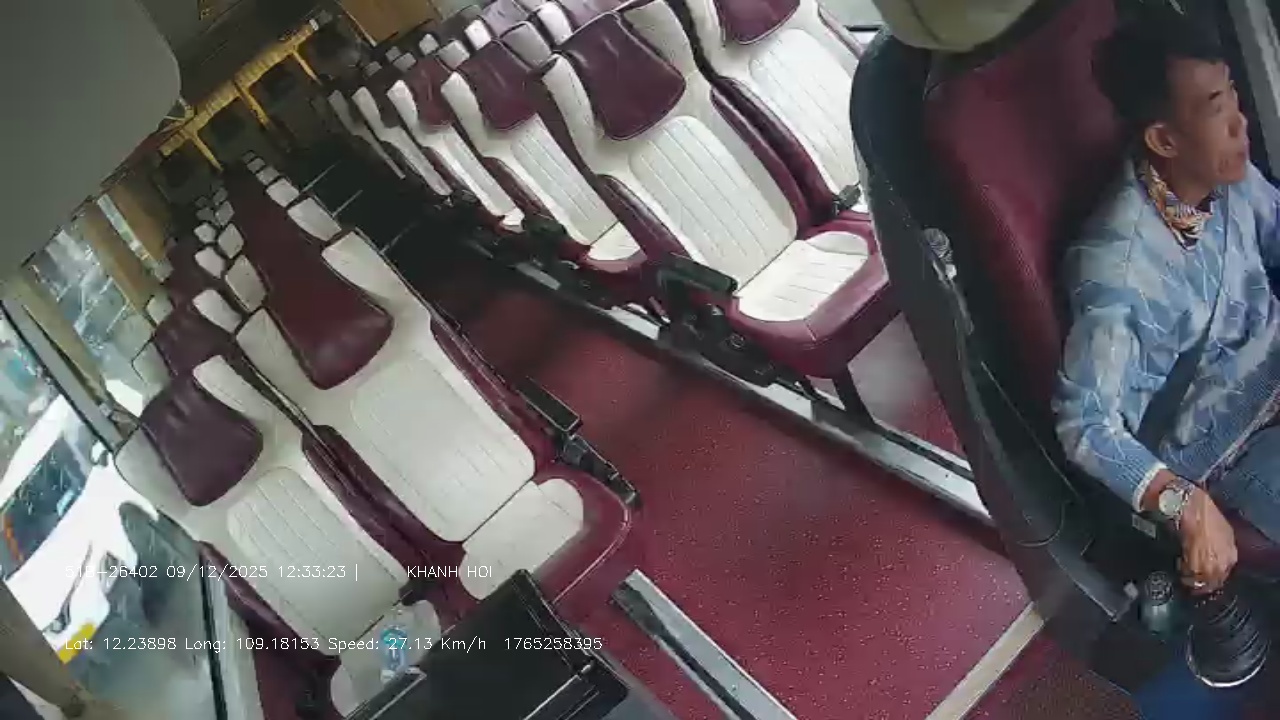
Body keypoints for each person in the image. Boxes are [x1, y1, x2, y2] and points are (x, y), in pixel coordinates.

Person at [1054, 8, 1280, 596]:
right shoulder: (1121, 272)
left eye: (1232, 95)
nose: (1240, 121)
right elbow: (1086, 424)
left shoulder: (1224, 178)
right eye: (1216, 107)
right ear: (1164, 139)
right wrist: (1185, 504)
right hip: (1231, 445)